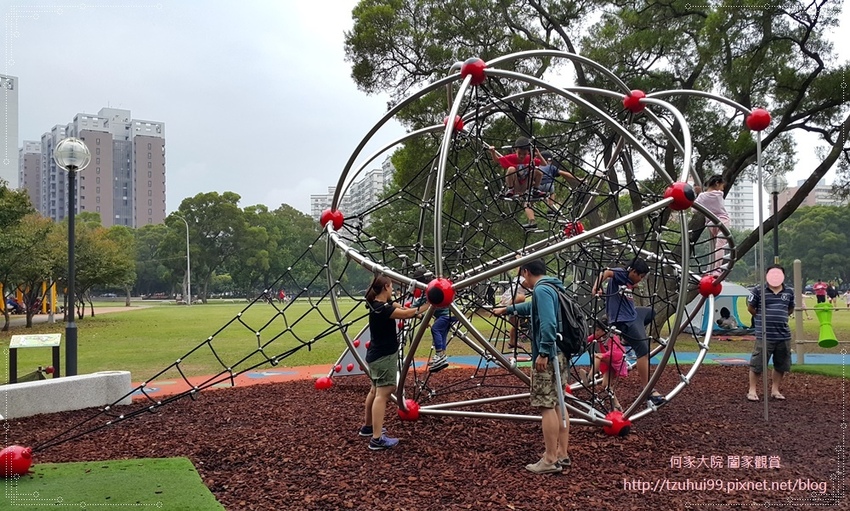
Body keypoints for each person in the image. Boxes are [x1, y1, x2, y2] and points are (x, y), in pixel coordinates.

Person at [493, 259, 570, 474]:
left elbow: (548, 322)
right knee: (558, 404)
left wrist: (544, 351)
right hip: (562, 353)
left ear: (526, 272)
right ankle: (562, 455)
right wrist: (507, 309)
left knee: (547, 406)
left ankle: (550, 459)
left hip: (550, 355)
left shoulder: (541, 290)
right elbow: (533, 308)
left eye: (522, 275)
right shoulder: (554, 286)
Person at [360, 275, 430, 450]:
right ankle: (377, 439)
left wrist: (410, 306)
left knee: (375, 390)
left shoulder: (376, 305)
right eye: (391, 287)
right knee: (384, 393)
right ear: (385, 287)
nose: (393, 290)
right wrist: (430, 304)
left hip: (375, 355)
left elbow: (398, 307)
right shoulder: (382, 309)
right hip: (384, 356)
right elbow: (406, 314)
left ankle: (368, 427)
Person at [592, 258, 665, 406]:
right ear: (633, 271)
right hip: (625, 320)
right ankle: (648, 390)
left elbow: (626, 286)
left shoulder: (628, 281)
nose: (640, 280)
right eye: (640, 276)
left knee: (651, 312)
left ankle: (627, 339)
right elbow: (605, 273)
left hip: (633, 314)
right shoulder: (621, 273)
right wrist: (596, 287)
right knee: (643, 352)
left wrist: (634, 285)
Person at [746, 264, 795, 402]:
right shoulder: (758, 290)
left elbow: (790, 309)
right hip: (765, 334)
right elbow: (751, 308)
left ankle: (775, 390)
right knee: (758, 363)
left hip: (783, 334)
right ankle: (752, 390)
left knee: (781, 364)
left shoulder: (789, 292)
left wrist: (780, 316)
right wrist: (762, 318)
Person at [488, 137, 545, 230]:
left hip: (526, 185)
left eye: (524, 154)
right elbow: (497, 160)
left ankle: (535, 190)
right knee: (511, 169)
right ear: (515, 150)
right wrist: (493, 152)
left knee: (538, 172)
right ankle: (510, 189)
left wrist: (538, 155)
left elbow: (544, 164)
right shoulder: (512, 157)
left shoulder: (529, 159)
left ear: (528, 152)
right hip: (516, 184)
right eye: (519, 153)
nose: (522, 156)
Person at [411, 269, 456, 372]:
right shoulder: (433, 287)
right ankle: (441, 356)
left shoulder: (430, 291)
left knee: (435, 329)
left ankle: (439, 354)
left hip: (447, 314)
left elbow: (419, 306)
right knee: (442, 333)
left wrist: (411, 310)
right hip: (452, 313)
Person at [581, 315, 627, 411]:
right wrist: (579, 343)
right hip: (610, 363)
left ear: (604, 330)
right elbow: (586, 340)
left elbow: (615, 352)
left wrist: (603, 355)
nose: (596, 332)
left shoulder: (612, 338)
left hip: (617, 361)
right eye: (595, 330)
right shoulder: (599, 336)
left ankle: (589, 378)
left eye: (598, 330)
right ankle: (617, 406)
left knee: (597, 356)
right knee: (606, 385)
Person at [692, 174, 731, 272]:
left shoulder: (702, 196)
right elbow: (715, 195)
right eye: (722, 186)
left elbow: (694, 209)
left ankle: (711, 268)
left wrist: (699, 193)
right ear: (717, 184)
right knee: (719, 246)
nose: (722, 190)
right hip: (722, 221)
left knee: (714, 246)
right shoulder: (718, 194)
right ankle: (717, 269)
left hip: (710, 223)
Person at [538, 150, 576, 218]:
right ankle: (550, 209)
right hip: (549, 186)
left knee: (529, 201)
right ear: (548, 160)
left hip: (538, 186)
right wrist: (578, 178)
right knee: (552, 193)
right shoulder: (551, 167)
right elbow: (565, 173)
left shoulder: (538, 167)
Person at [499, 268, 529, 349]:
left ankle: (513, 342)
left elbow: (520, 268)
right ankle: (509, 309)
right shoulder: (522, 279)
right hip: (510, 300)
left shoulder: (518, 278)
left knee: (516, 324)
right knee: (521, 298)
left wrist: (519, 259)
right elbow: (530, 284)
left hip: (510, 300)